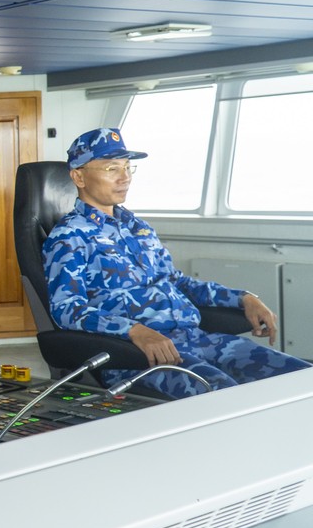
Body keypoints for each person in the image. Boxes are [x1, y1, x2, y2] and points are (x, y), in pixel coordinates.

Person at [44, 127, 310, 398]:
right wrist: (135, 331)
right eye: (112, 168)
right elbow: (68, 309)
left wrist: (243, 298)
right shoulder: (70, 236)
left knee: (301, 378)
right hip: (138, 354)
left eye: (127, 167)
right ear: (78, 176)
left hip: (195, 338)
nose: (124, 178)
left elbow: (176, 281)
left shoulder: (137, 227)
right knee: (228, 397)